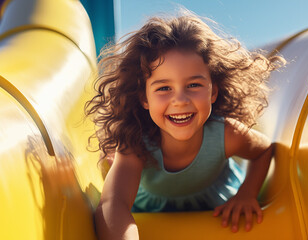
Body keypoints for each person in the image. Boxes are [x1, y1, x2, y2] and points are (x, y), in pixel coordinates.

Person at [85, 10, 284, 240]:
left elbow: (264, 150)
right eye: (163, 88)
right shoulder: (135, 144)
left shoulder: (226, 134)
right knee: (115, 166)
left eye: (193, 85)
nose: (180, 100)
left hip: (217, 205)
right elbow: (113, 204)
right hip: (151, 211)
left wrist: (247, 193)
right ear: (144, 99)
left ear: (213, 91)